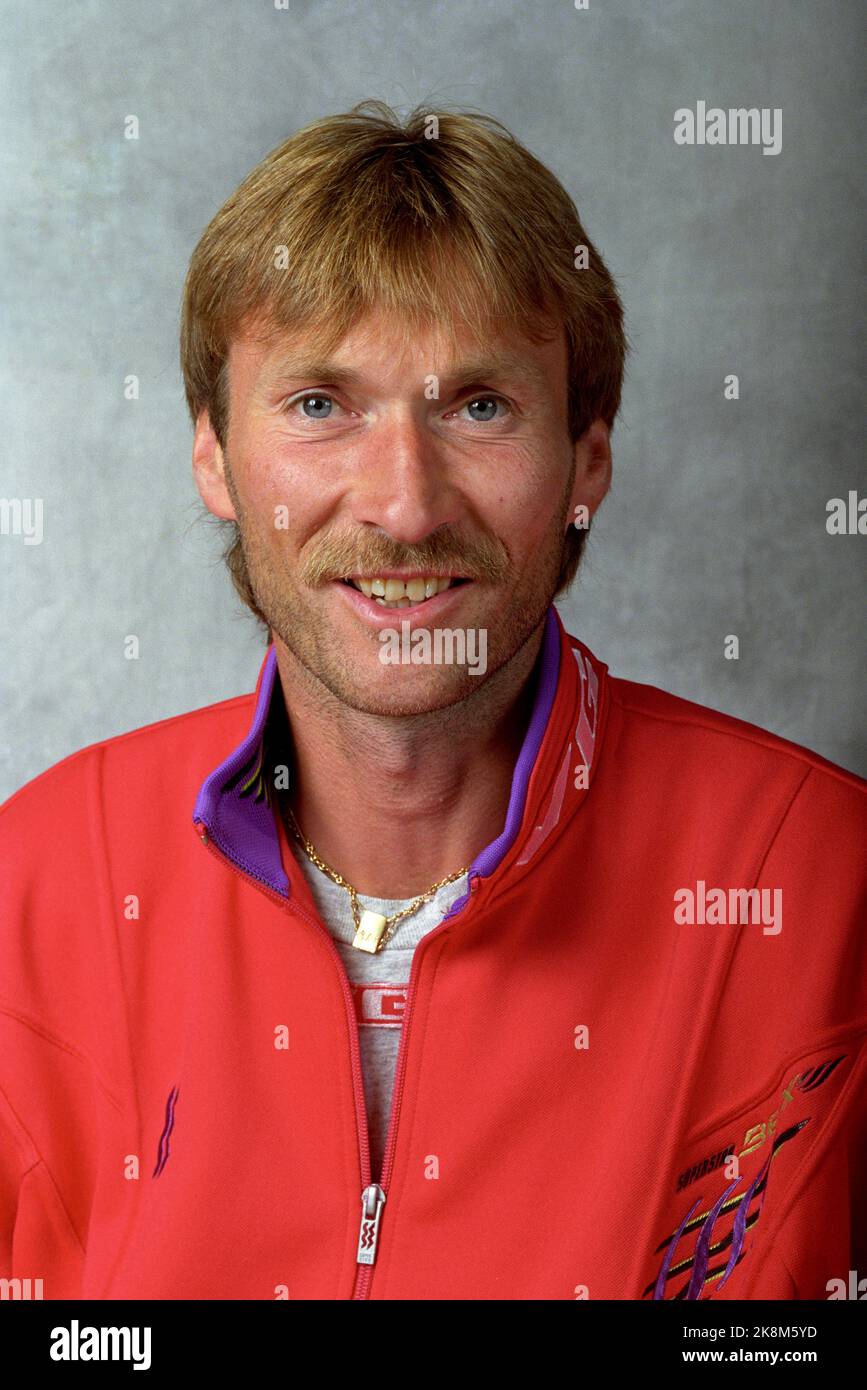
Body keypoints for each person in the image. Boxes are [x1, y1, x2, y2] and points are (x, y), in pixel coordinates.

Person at [1, 100, 864, 1302]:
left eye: (478, 407)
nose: (404, 506)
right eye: (319, 405)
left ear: (587, 461)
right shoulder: (37, 881)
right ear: (211, 456)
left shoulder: (819, 887)